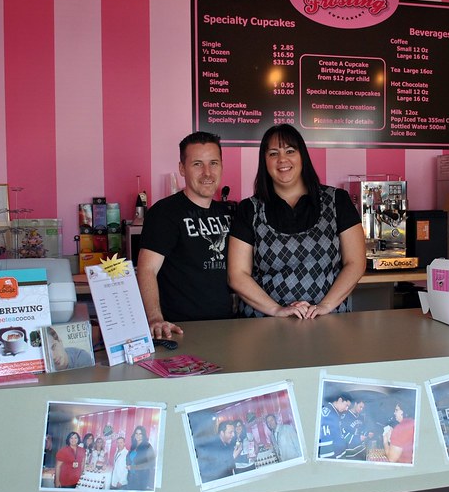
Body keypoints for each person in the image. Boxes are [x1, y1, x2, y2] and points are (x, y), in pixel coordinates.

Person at [228, 124, 365, 319]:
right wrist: (277, 310)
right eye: (273, 153)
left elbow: (356, 262)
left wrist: (325, 306)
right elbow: (237, 274)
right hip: (263, 324)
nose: (282, 160)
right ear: (264, 161)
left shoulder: (337, 201)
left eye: (290, 151)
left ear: (303, 156)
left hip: (328, 321)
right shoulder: (249, 209)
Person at [137, 131, 234, 339]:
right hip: (179, 329)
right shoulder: (165, 213)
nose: (207, 173)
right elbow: (147, 269)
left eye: (214, 163)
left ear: (222, 166)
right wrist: (155, 318)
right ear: (182, 169)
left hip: (226, 325)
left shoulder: (228, 213)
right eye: (197, 164)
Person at [318, 392, 352, 459]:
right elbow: (325, 444)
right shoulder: (327, 414)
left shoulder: (336, 413)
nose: (346, 409)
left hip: (339, 455)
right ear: (340, 400)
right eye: (346, 405)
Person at [125, 425, 156, 491]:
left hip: (141, 479)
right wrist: (128, 464)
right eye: (136, 433)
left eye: (140, 434)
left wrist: (133, 467)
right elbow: (129, 458)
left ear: (143, 435)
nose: (138, 435)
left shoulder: (147, 446)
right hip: (131, 477)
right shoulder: (133, 445)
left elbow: (151, 464)